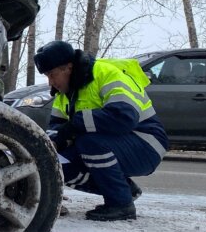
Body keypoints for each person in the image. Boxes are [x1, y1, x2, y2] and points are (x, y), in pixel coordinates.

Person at [34, 40, 169, 221]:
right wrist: (49, 147)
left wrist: (75, 125)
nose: (50, 82)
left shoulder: (106, 74)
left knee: (89, 143)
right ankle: (125, 190)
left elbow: (124, 117)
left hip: (147, 144)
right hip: (117, 143)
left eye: (52, 74)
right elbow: (57, 129)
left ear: (68, 67)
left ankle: (121, 204)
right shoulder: (64, 93)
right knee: (54, 162)